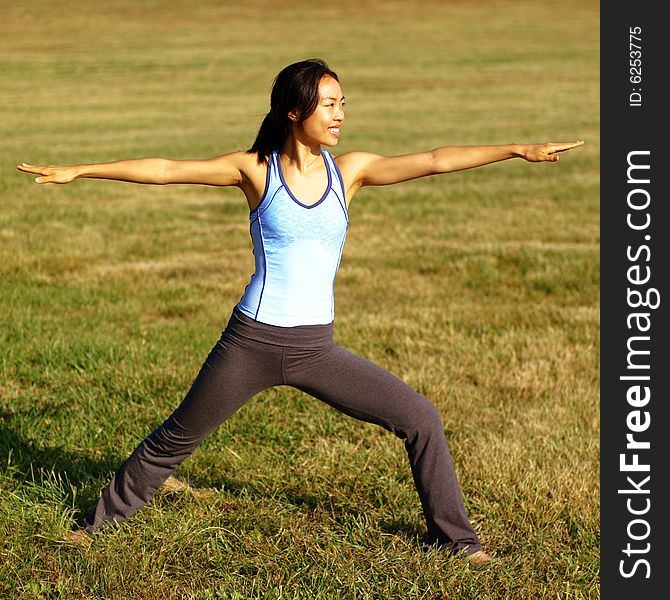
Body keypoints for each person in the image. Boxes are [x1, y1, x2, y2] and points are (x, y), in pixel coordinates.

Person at [17, 58, 583, 565]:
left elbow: (435, 160)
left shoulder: (350, 171)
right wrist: (81, 170)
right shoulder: (255, 170)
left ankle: (459, 541)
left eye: (343, 104)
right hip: (251, 343)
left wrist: (516, 149)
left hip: (317, 349)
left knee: (421, 419)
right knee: (175, 440)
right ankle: (96, 526)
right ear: (295, 111)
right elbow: (167, 168)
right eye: (329, 104)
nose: (340, 114)